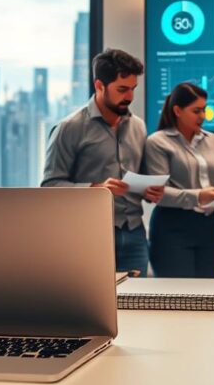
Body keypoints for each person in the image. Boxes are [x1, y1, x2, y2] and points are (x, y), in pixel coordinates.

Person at [42, 49, 164, 274]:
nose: (130, 97)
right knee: (90, 296)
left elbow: (141, 177)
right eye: (122, 89)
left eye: (133, 88)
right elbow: (50, 186)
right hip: (88, 236)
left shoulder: (138, 126)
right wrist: (96, 189)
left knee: (137, 297)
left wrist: (150, 191)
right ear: (99, 86)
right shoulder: (69, 128)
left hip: (135, 234)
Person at [144, 83, 214, 278]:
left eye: (204, 110)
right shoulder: (157, 142)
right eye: (196, 111)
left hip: (209, 227)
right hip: (172, 228)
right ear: (177, 111)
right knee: (178, 293)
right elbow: (158, 193)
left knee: (208, 291)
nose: (203, 116)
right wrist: (200, 196)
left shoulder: (212, 140)